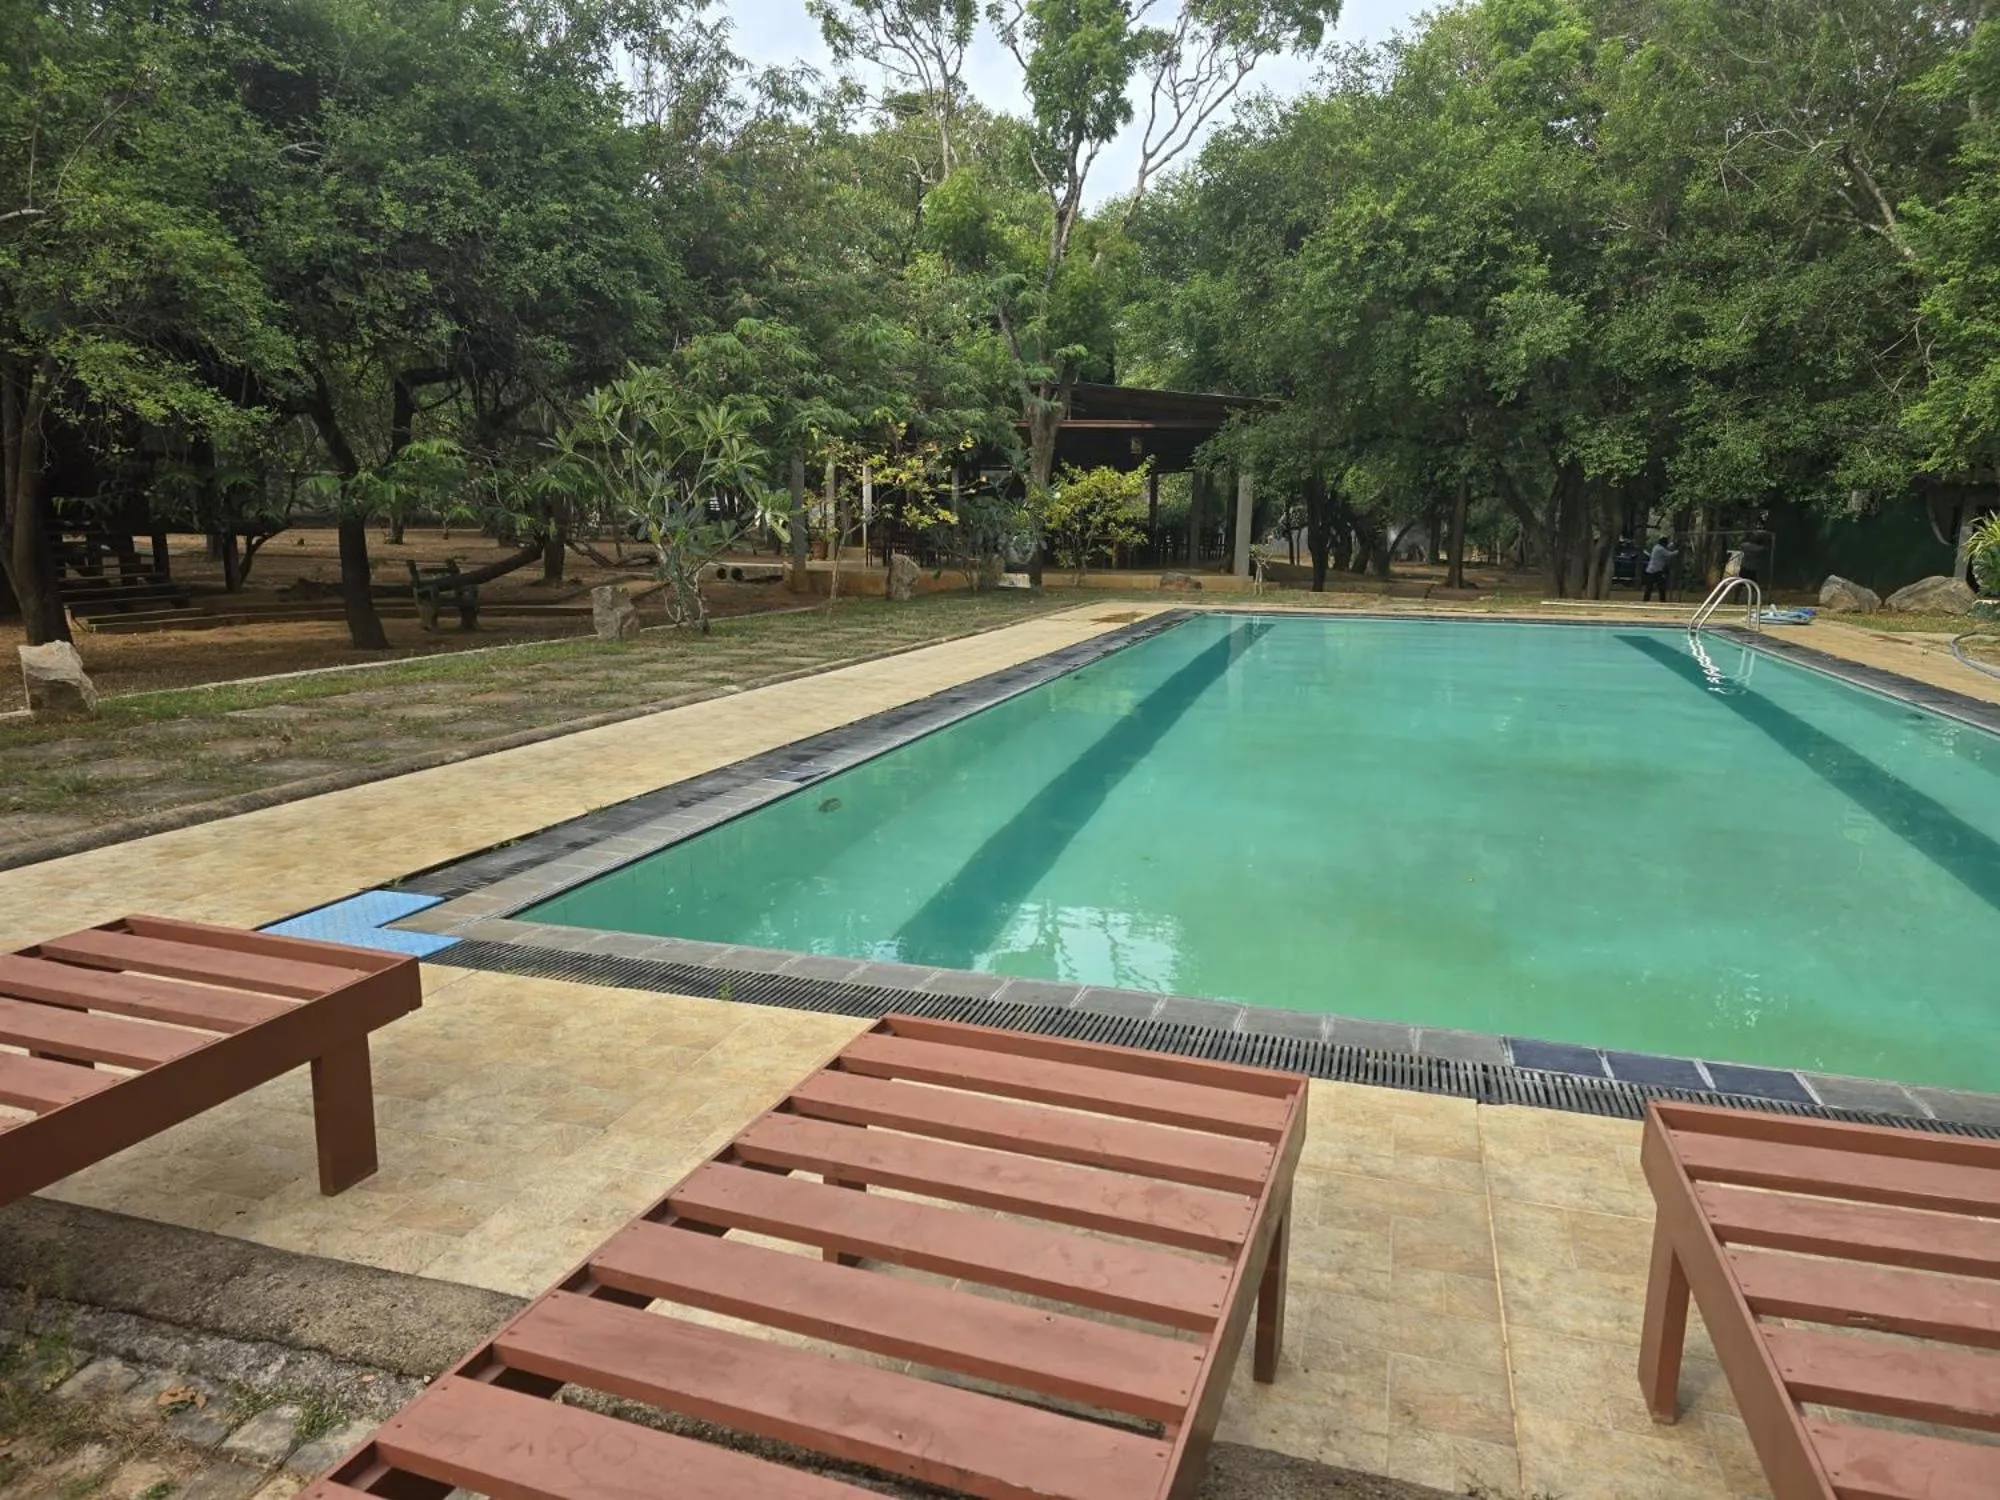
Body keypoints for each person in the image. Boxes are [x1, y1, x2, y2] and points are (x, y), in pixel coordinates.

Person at [1643, 536, 1676, 602]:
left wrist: (1673, 544)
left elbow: (1667, 547)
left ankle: (1647, 600)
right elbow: (1668, 554)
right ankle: (1660, 600)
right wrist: (1677, 552)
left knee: (1652, 587)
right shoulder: (1660, 549)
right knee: (1658, 587)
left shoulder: (1656, 547)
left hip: (1653, 570)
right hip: (1655, 571)